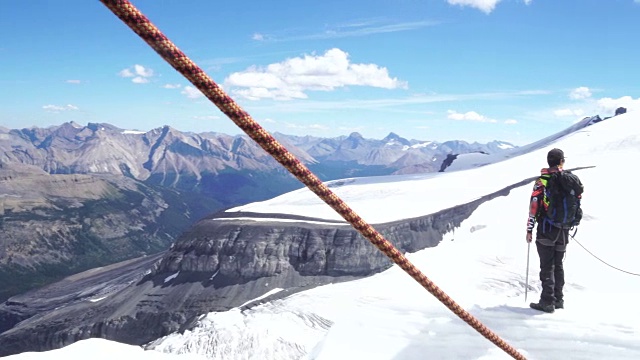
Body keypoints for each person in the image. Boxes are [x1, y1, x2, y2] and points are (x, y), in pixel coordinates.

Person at [526, 148, 581, 313]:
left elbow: (534, 206)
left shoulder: (542, 181)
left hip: (546, 228)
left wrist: (529, 229)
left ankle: (547, 301)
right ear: (562, 161)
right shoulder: (571, 180)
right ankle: (558, 299)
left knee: (546, 266)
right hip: (564, 229)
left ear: (548, 161)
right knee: (558, 265)